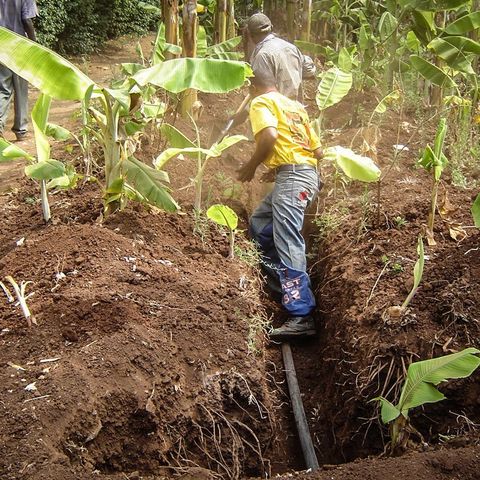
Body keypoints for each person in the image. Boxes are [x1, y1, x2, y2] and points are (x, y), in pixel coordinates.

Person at [237, 73, 323, 342]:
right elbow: (317, 151)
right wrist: (279, 167)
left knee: (287, 238)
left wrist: (251, 166)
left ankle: (301, 314)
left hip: (295, 177)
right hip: (301, 173)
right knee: (261, 226)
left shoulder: (261, 102)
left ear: (254, 88)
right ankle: (281, 287)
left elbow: (270, 137)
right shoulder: (295, 106)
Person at [0, 0, 38, 141]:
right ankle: (21, 130)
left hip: (1, 44)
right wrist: (34, 44)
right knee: (21, 89)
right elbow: (27, 20)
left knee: (3, 88)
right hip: (19, 46)